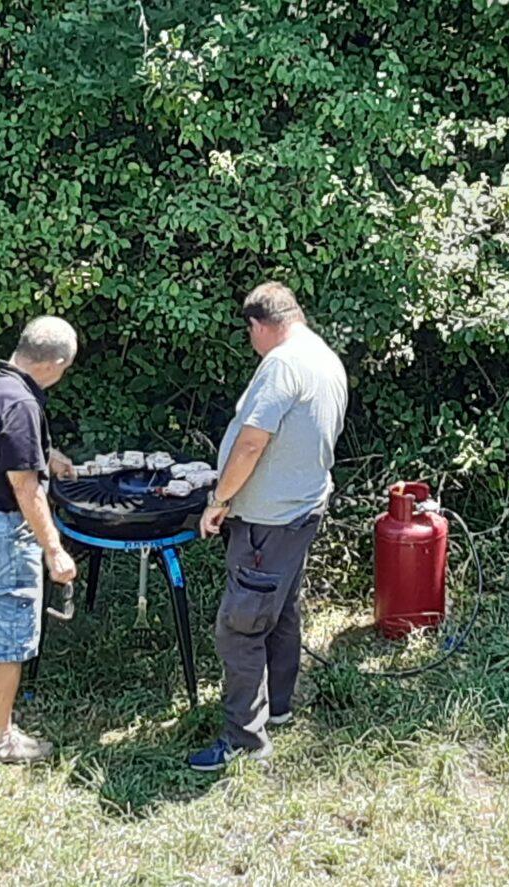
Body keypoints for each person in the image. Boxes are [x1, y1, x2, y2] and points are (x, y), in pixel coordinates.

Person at [188, 282, 348, 771]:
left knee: (241, 627)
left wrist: (220, 500)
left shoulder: (282, 364)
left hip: (269, 519)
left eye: (250, 332)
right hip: (301, 510)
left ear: (260, 325)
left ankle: (243, 739)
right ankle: (278, 706)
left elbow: (253, 443)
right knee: (280, 612)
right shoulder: (323, 355)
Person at [0, 316, 80, 764]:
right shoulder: (24, 404)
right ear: (56, 363)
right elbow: (24, 487)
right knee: (9, 631)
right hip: (4, 529)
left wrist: (50, 456)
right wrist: (54, 549)